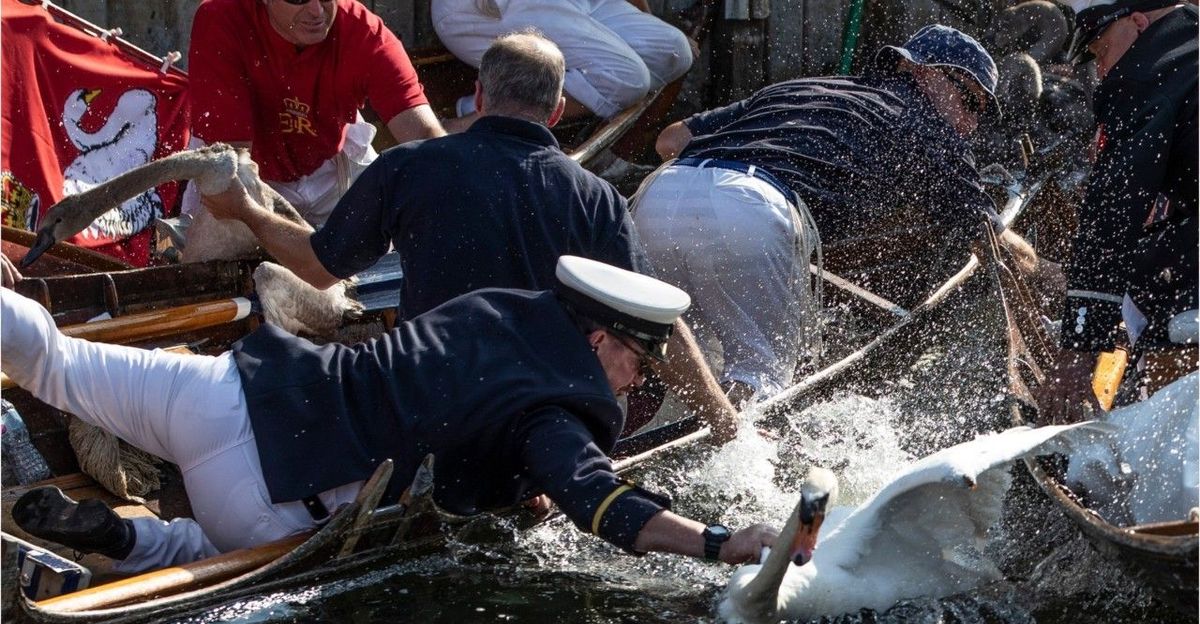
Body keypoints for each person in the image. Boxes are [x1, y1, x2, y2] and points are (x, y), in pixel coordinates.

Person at [6, 257, 777, 573]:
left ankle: (117, 531)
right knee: (210, 542)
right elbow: (604, 505)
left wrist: (512, 476)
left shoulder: (500, 307)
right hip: (271, 496)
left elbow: (449, 400)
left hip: (223, 392)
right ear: (602, 338)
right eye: (637, 364)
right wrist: (719, 541)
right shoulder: (555, 413)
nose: (633, 383)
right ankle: (131, 539)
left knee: (54, 360)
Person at [201, 31, 740, 442]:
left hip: (430, 402)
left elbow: (317, 270)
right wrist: (725, 424)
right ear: (556, 110)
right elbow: (652, 320)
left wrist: (246, 209)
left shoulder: (406, 166)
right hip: (542, 413)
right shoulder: (595, 195)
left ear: (479, 96)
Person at [633, 24, 1047, 402]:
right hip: (752, 211)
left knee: (667, 359)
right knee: (760, 384)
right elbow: (996, 244)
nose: (971, 125)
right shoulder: (929, 125)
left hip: (660, 198)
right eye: (970, 102)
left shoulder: (802, 87)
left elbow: (670, 141)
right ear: (923, 71)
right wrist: (1053, 276)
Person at [1036, 1, 1197, 422]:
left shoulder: (1146, 70)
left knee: (1154, 274)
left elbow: (1112, 215)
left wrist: (1077, 351)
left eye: (1101, 51)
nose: (1102, 69)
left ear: (1138, 23)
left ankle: (1161, 419)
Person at [185, 0, 445, 226]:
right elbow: (233, 163)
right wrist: (297, 245)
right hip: (246, 173)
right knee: (208, 265)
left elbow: (425, 138)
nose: (317, 10)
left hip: (333, 164)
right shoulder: (221, 17)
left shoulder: (363, 29)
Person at [431, 0, 693, 126]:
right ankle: (475, 119)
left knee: (672, 50)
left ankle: (513, 100)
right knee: (629, 79)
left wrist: (643, 25)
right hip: (487, 10)